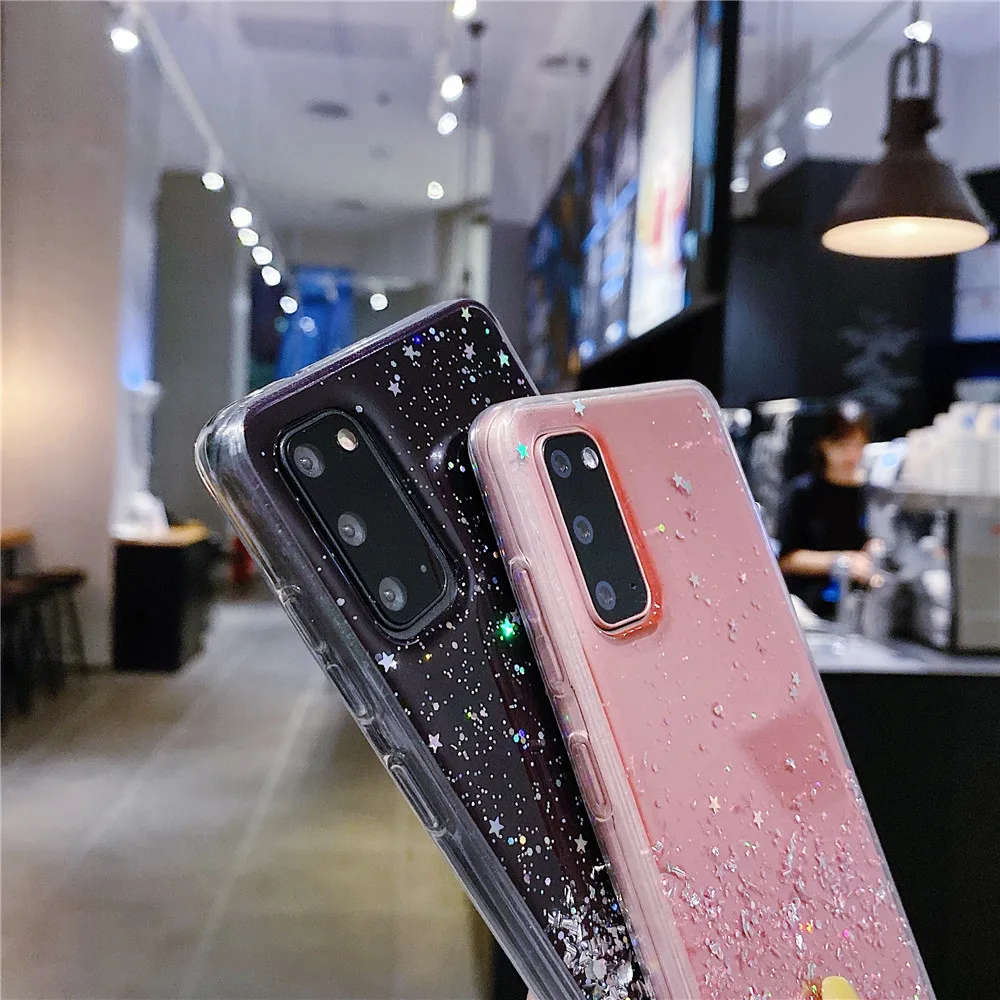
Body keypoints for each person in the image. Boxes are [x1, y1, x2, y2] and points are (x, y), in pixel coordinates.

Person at [777, 401, 875, 620]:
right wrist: (843, 562)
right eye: (843, 444)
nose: (851, 454)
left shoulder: (872, 493)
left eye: (858, 445)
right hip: (809, 605)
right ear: (824, 444)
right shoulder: (802, 493)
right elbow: (787, 559)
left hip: (861, 607)